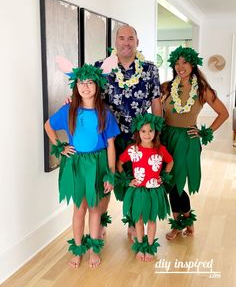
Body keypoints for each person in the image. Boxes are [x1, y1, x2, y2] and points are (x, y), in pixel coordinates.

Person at [44, 64, 120, 268]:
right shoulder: (69, 109)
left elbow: (111, 145)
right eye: (80, 83)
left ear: (98, 85)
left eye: (89, 82)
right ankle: (78, 249)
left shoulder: (104, 112)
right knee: (79, 208)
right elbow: (48, 125)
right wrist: (59, 146)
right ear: (75, 85)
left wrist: (110, 173)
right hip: (77, 163)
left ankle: (94, 249)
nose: (85, 87)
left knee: (95, 208)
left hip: (98, 163)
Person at [95, 25, 162, 238]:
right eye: (122, 38)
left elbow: (156, 103)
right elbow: (85, 92)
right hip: (108, 138)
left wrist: (158, 134)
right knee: (106, 181)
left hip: (139, 138)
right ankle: (101, 222)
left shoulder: (150, 70)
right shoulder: (101, 67)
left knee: (138, 182)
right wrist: (72, 100)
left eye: (130, 38)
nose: (126, 42)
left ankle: (135, 224)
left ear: (137, 42)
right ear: (115, 41)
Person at [161, 46, 229, 240]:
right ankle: (183, 222)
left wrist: (204, 132)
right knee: (169, 182)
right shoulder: (167, 86)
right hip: (167, 138)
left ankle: (181, 223)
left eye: (184, 62)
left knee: (178, 183)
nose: (180, 66)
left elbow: (224, 114)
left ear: (193, 64)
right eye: (177, 62)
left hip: (187, 140)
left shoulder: (203, 90)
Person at [117, 113, 174, 261]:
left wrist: (164, 175)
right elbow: (120, 163)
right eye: (143, 131)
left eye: (150, 131)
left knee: (152, 220)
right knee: (139, 219)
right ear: (138, 132)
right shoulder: (133, 149)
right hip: (139, 191)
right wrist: (127, 180)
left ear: (156, 132)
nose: (147, 134)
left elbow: (170, 161)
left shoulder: (160, 149)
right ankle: (140, 246)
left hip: (154, 191)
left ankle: (149, 247)